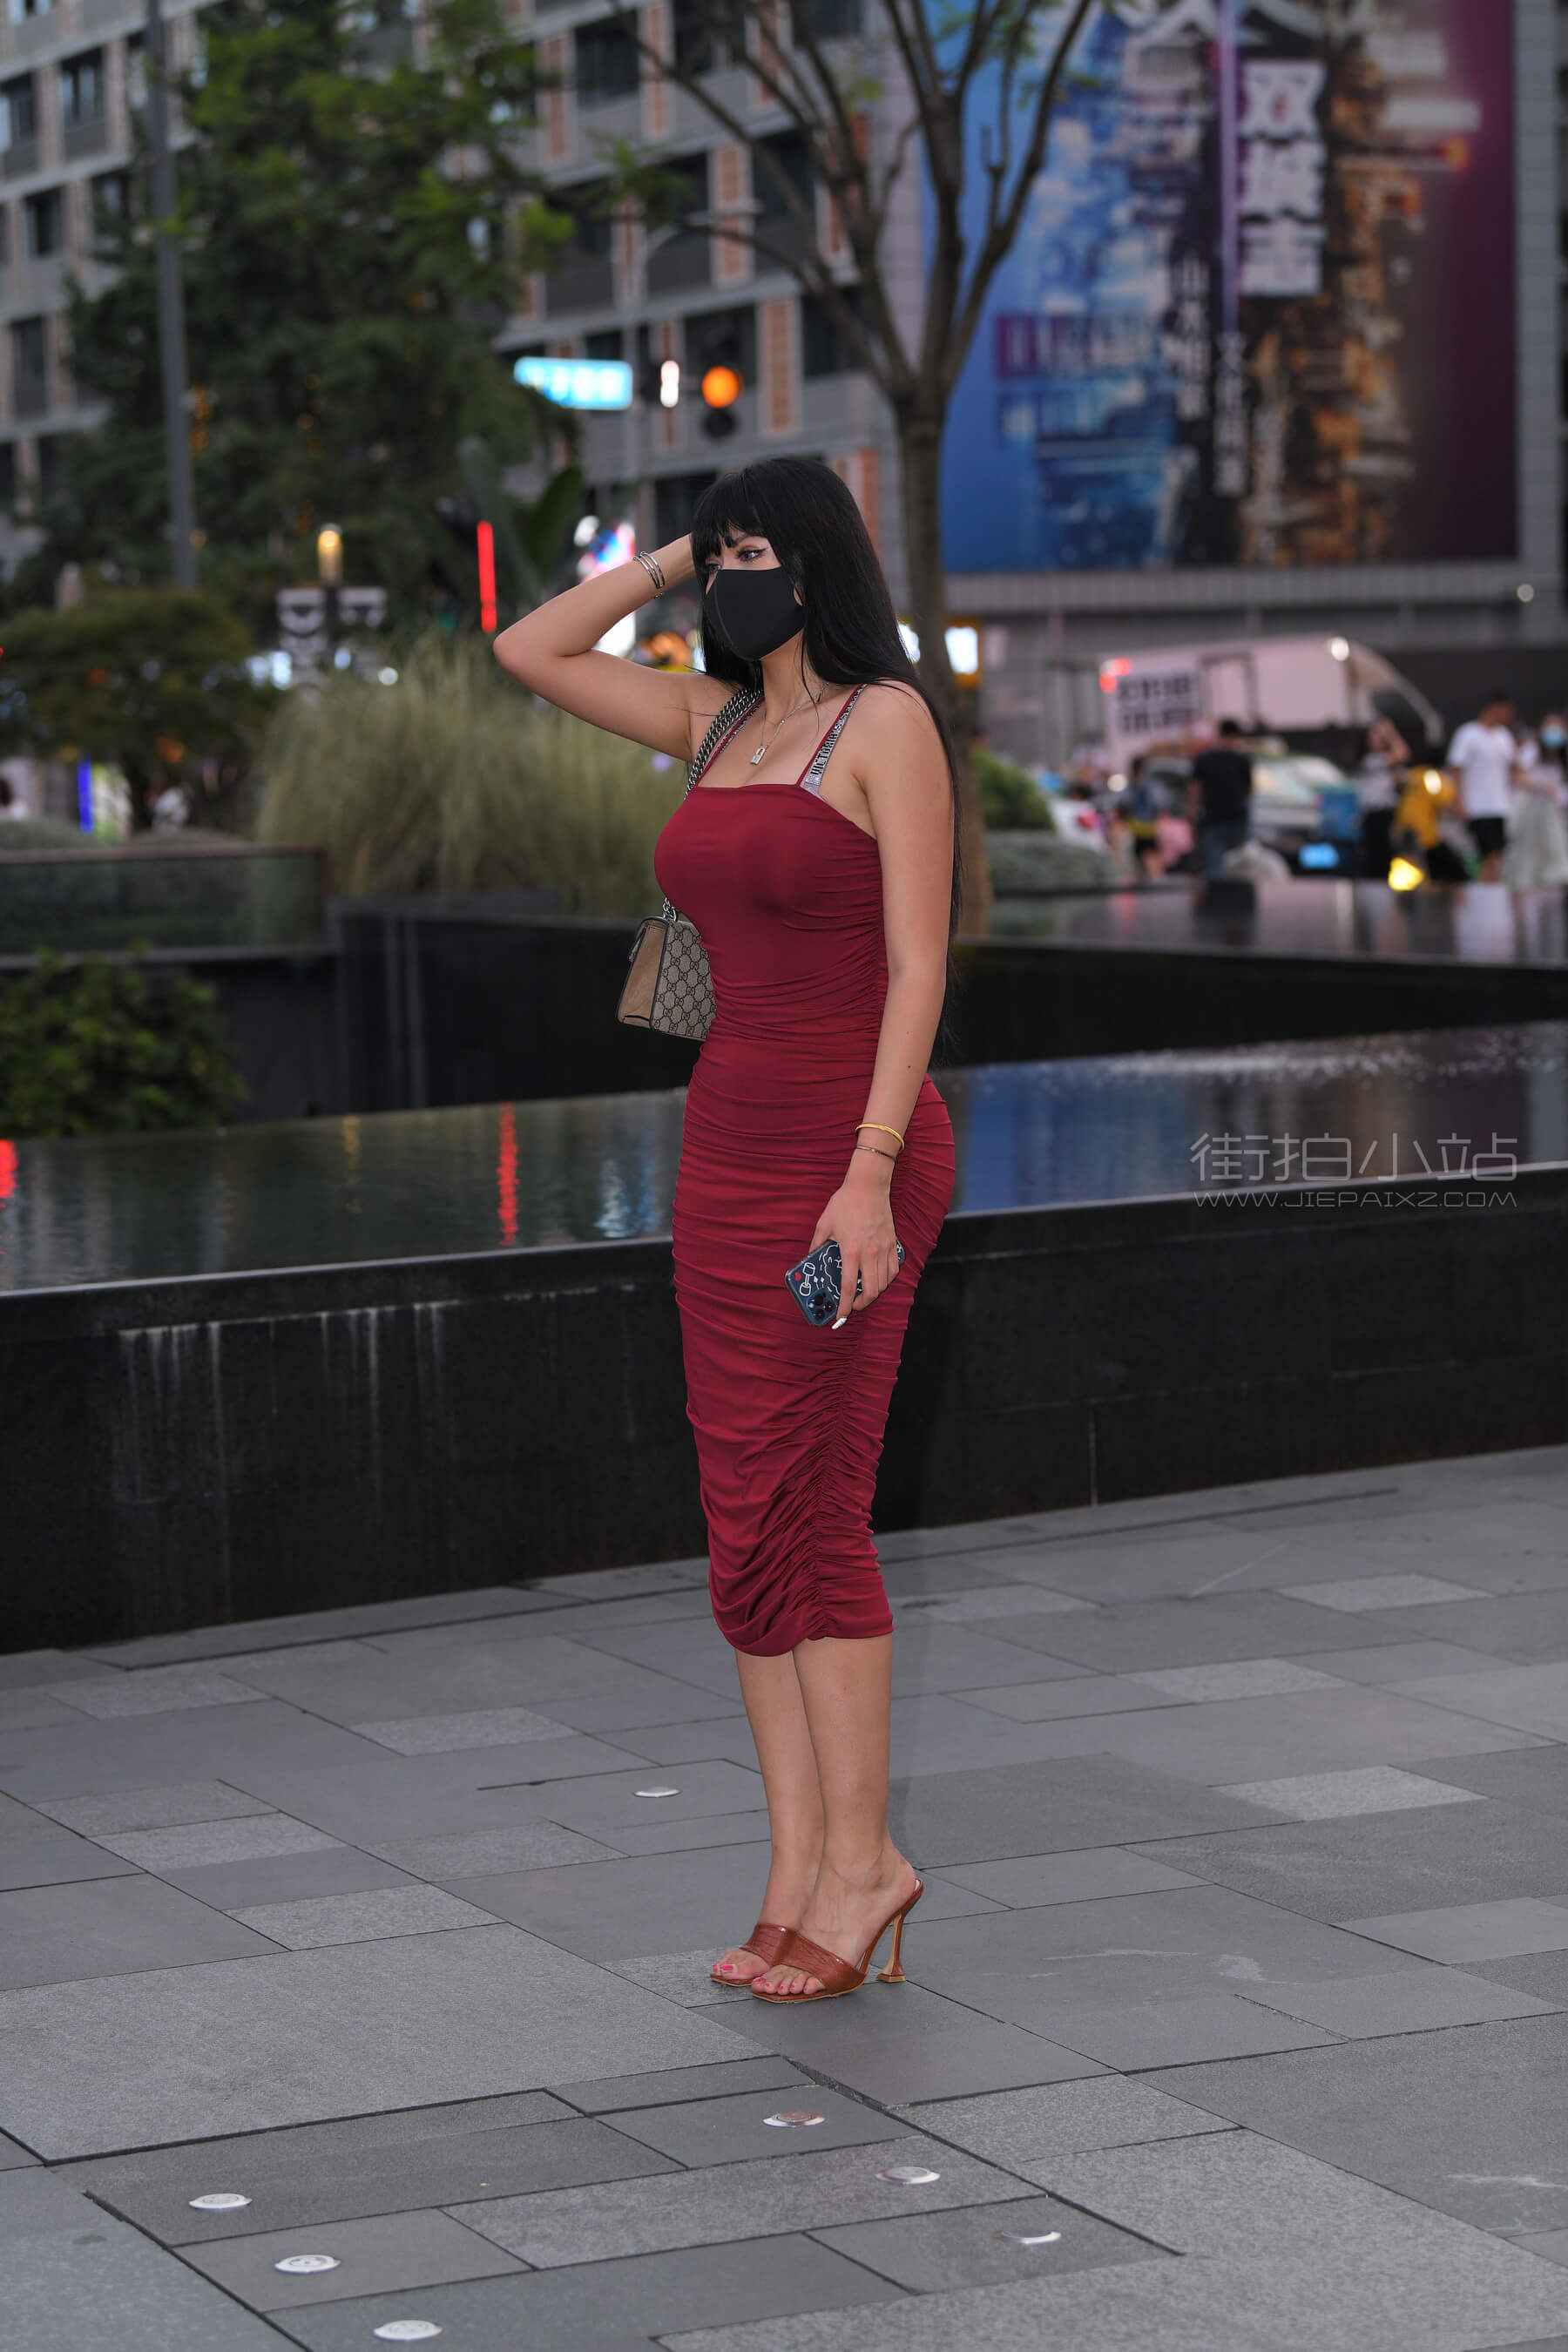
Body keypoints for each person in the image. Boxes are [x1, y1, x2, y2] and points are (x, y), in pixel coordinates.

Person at [493, 457, 955, 2004]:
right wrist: (675, 553)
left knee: (817, 1507)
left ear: (819, 565)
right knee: (745, 1513)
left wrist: (869, 1176)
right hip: (728, 1152)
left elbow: (918, 967)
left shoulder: (883, 725)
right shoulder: (718, 724)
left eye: (760, 550)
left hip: (851, 1153)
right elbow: (529, 648)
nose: (737, 575)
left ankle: (864, 1866)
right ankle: (796, 1870)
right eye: (725, 555)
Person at [1446, 691, 1517, 882]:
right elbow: (1456, 769)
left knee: (1498, 857)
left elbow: (1514, 769)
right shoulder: (1468, 734)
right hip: (1477, 807)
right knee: (1487, 857)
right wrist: (1458, 801)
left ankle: (1491, 891)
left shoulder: (1504, 736)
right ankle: (1484, 892)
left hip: (1501, 807)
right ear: (1494, 708)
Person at [1503, 714, 1568, 889]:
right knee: (1526, 848)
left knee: (1554, 844)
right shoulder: (1531, 750)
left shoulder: (1562, 756)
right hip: (1529, 808)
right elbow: (1518, 777)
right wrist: (1541, 787)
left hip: (1554, 810)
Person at [1186, 719, 1254, 878]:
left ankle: (1217, 892)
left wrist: (1192, 814)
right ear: (1236, 736)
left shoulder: (1204, 759)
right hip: (1235, 819)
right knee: (1238, 865)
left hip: (1213, 819)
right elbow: (1249, 791)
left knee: (1215, 866)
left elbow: (1194, 790)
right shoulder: (1242, 760)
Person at [1355, 714, 1409, 881]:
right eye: (1374, 734)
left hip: (1386, 813)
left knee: (1387, 854)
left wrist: (1389, 734)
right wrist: (1391, 733)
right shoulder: (1371, 760)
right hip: (1373, 814)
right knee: (1375, 856)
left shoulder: (1385, 761)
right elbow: (1402, 753)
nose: (1378, 739)